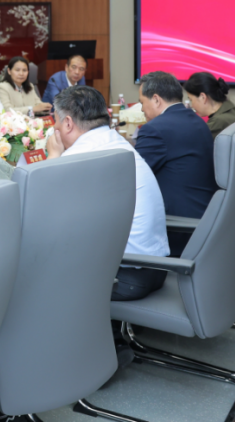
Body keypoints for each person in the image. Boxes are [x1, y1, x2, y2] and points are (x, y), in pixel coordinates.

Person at [39, 86, 169, 301]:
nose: (55, 127)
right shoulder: (115, 141)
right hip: (156, 268)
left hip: (125, 277)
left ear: (68, 123)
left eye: (56, 121)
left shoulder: (79, 155)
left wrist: (53, 155)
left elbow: (40, 208)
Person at [135, 71, 217, 256]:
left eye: (142, 102)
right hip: (204, 217)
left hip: (179, 228)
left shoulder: (155, 129)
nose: (141, 109)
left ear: (156, 99)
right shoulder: (197, 121)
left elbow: (132, 177)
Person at [184, 72, 235, 139]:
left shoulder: (217, 123)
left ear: (203, 97)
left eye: (191, 100)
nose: (192, 106)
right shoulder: (231, 109)